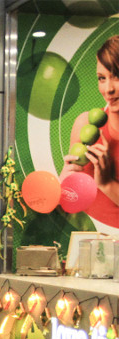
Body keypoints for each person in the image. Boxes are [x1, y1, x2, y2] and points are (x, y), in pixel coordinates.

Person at [60, 35, 119, 228]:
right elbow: (71, 202)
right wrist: (65, 183)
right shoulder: (84, 123)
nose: (108, 89)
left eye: (117, 76)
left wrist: (106, 183)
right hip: (87, 237)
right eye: (102, 78)